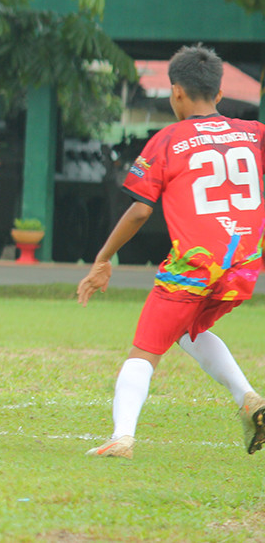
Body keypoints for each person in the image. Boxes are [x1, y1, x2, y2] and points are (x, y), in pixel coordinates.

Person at [76, 44, 265, 459]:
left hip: (194, 265)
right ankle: (249, 399)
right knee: (186, 330)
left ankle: (121, 437)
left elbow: (140, 210)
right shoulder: (254, 134)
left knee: (145, 350)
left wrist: (103, 258)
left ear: (175, 92)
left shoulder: (167, 140)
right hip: (245, 265)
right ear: (218, 93)